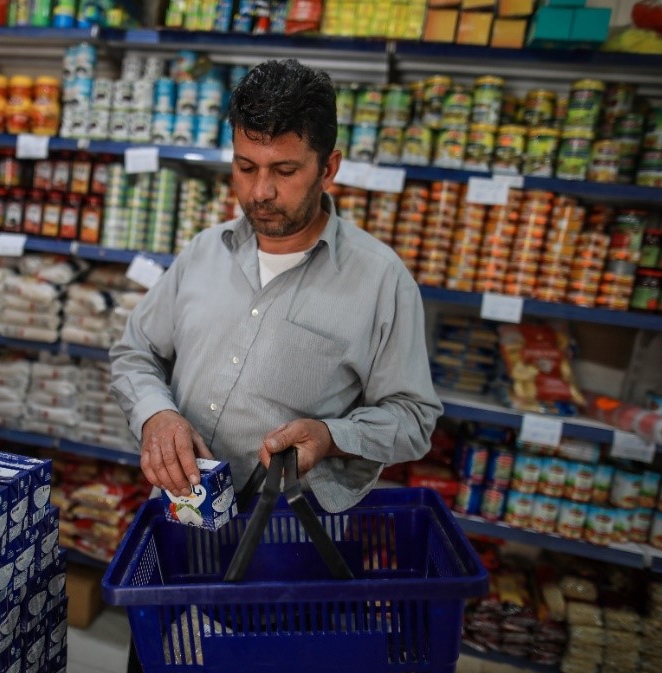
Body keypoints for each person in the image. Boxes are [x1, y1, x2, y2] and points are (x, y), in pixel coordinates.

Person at [110, 58, 442, 516]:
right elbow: (135, 352)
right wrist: (155, 413)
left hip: (290, 529)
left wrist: (331, 438)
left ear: (328, 169)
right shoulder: (205, 251)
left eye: (284, 171)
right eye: (246, 167)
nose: (260, 191)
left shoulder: (381, 280)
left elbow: (414, 419)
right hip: (180, 513)